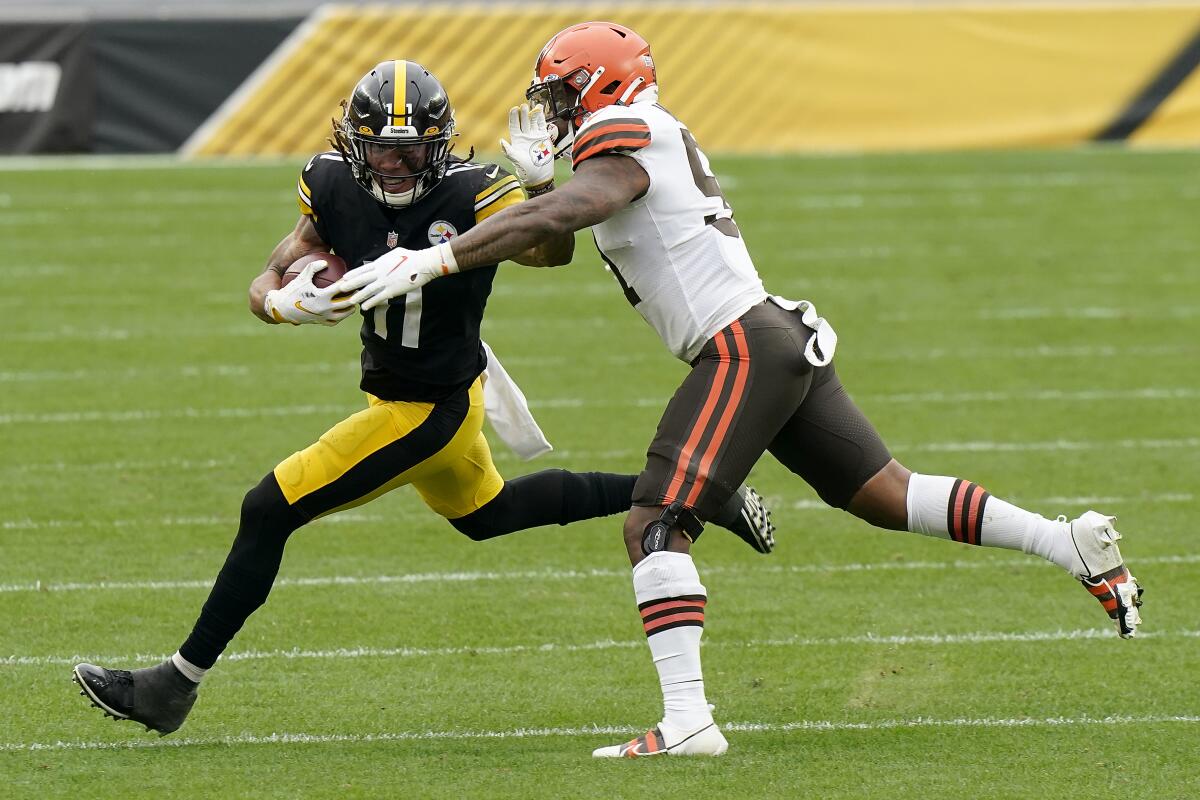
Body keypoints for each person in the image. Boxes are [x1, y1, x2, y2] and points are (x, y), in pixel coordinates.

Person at [332, 25, 1146, 758]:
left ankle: (688, 719)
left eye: (561, 93)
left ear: (602, 87)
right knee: (883, 495)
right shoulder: (641, 133)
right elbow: (560, 222)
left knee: (654, 521)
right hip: (768, 338)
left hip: (739, 349)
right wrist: (539, 186)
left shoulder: (626, 135)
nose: (549, 109)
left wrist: (437, 257)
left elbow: (570, 217)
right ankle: (1063, 541)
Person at [70, 60, 774, 737]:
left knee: (267, 507)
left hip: (429, 407)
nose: (394, 167)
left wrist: (536, 188)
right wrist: (281, 303)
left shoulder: (474, 191)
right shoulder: (329, 182)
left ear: (439, 148)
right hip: (429, 395)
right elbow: (273, 270)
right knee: (489, 515)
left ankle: (173, 685)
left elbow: (548, 253)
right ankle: (697, 491)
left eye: (410, 153)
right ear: (354, 144)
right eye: (379, 151)